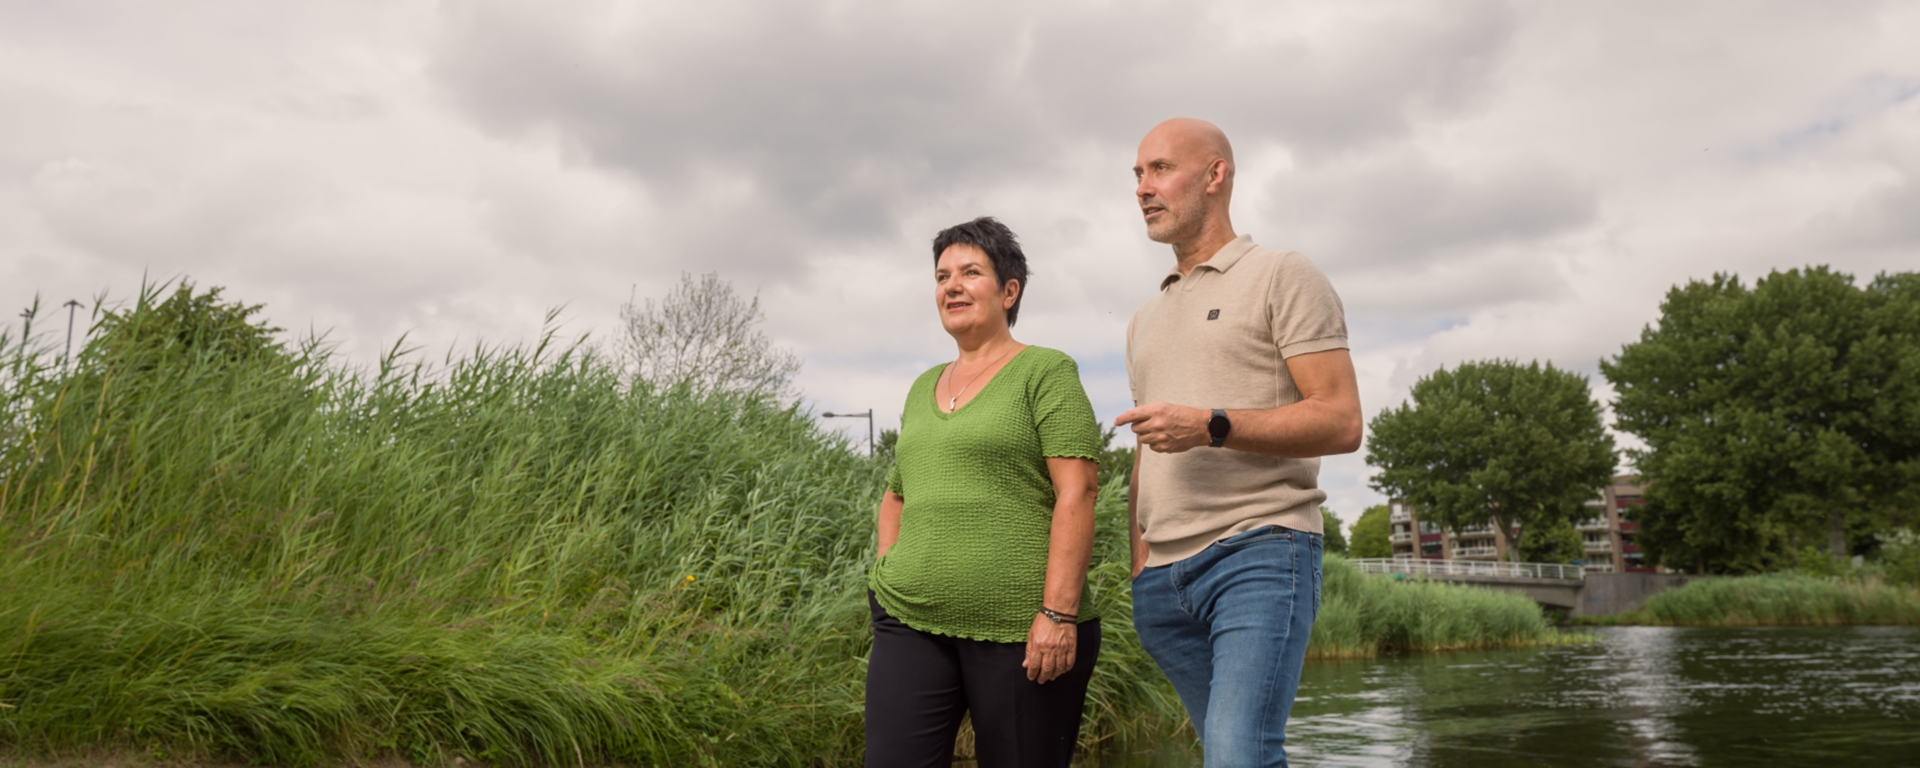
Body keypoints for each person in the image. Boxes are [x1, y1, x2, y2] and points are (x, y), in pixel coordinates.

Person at [1114, 118, 1364, 767]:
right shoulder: (1144, 319)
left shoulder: (1283, 274)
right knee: (1234, 757)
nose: (1142, 187)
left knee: (1237, 756)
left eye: (1160, 169)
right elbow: (1145, 452)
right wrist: (1140, 562)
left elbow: (1341, 420)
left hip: (1258, 552)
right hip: (1162, 582)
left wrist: (1212, 425)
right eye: (1137, 174)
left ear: (1215, 175)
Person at [865, 216, 1105, 768]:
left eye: (970, 273)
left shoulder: (1046, 371)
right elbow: (898, 492)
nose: (952, 285)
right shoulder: (922, 386)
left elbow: (1079, 491)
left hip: (1024, 631)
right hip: (909, 621)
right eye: (942, 276)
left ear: (1009, 291)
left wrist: (1058, 614)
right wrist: (884, 571)